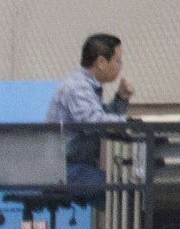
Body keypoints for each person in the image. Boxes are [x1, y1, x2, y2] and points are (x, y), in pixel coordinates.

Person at [46, 32, 134, 198]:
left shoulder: (86, 85)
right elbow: (92, 122)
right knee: (124, 193)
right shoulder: (77, 87)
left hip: (75, 166)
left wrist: (121, 99)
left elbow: (99, 116)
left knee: (126, 189)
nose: (120, 66)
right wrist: (130, 123)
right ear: (101, 62)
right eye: (117, 60)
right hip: (64, 169)